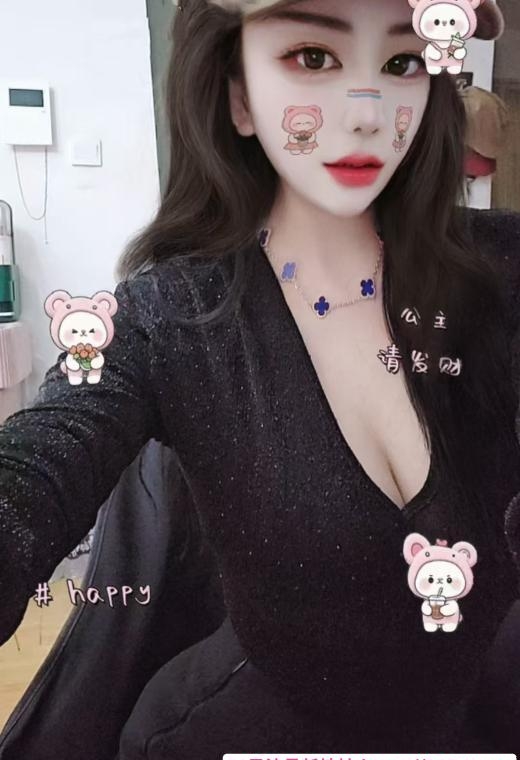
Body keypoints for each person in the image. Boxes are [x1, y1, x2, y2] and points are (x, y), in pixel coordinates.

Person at [1, 0, 519, 754]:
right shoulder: (165, 318)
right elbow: (36, 466)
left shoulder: (503, 270)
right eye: (313, 57)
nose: (368, 115)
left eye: (402, 61)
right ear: (238, 96)